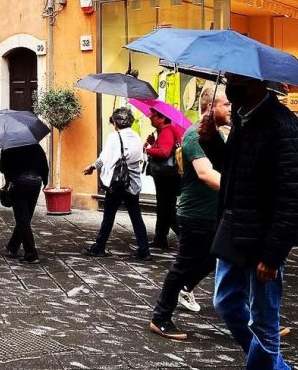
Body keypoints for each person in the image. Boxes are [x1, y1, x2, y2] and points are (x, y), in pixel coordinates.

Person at [213, 73, 298, 370]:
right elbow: (238, 176)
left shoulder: (284, 127)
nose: (231, 84)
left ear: (260, 82)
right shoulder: (243, 118)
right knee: (225, 303)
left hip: (264, 241)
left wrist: (273, 254)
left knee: (264, 320)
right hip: (235, 231)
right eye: (230, 78)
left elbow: (293, 199)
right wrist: (212, 136)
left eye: (239, 79)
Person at [150, 85, 231, 340]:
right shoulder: (193, 136)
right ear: (211, 107)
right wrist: (239, 192)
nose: (230, 109)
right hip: (196, 214)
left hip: (214, 212)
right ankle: (160, 317)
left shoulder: (217, 135)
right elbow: (207, 174)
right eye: (226, 105)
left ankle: (256, 321)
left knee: (219, 257)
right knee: (182, 266)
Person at [84, 106, 150, 259]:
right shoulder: (136, 137)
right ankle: (144, 249)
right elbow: (139, 158)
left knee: (108, 216)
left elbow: (104, 158)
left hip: (117, 183)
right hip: (132, 183)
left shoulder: (114, 137)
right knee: (136, 216)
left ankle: (99, 246)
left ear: (115, 122)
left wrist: (93, 167)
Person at [0, 141, 49, 264]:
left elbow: (2, 167)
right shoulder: (35, 145)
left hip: (19, 184)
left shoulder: (9, 146)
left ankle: (31, 254)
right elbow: (44, 165)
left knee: (22, 219)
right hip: (35, 184)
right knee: (25, 218)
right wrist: (44, 181)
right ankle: (12, 247)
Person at [144, 108, 181, 249]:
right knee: (164, 207)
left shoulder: (167, 131)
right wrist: (153, 142)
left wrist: (147, 149)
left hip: (166, 176)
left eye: (153, 116)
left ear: (162, 118)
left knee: (167, 209)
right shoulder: (166, 131)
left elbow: (164, 153)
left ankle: (185, 238)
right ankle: (160, 238)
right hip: (167, 175)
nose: (150, 118)